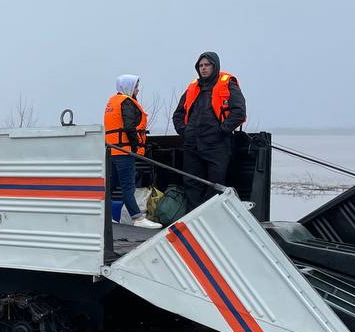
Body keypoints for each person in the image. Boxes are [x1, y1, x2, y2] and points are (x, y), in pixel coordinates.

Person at [172, 51, 247, 210]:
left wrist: (221, 131)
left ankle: (211, 217)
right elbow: (178, 114)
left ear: (215, 66)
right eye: (201, 66)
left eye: (207, 65)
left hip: (217, 144)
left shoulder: (227, 84)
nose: (203, 68)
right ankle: (193, 220)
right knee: (191, 183)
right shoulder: (193, 87)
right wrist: (185, 131)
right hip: (192, 144)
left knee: (216, 184)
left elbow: (239, 112)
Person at [104, 75, 159, 229]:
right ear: (128, 87)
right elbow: (129, 127)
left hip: (112, 151)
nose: (138, 90)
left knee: (111, 185)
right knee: (128, 187)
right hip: (124, 151)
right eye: (136, 87)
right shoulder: (127, 102)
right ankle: (137, 217)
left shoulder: (113, 102)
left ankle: (103, 215)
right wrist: (135, 146)